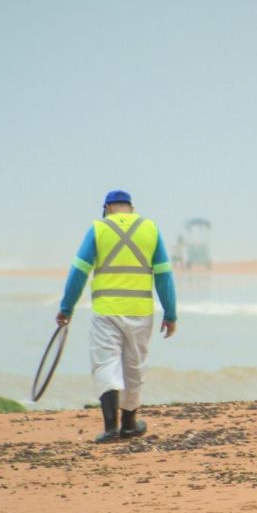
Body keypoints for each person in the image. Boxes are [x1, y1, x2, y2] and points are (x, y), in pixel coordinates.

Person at [57, 190, 177, 443]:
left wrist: (67, 308)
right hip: (141, 311)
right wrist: (171, 313)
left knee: (105, 364)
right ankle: (130, 424)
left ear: (107, 208)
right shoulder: (150, 228)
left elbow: (78, 271)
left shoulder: (98, 229)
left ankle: (111, 427)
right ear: (130, 208)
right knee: (134, 366)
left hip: (106, 311)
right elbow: (164, 274)